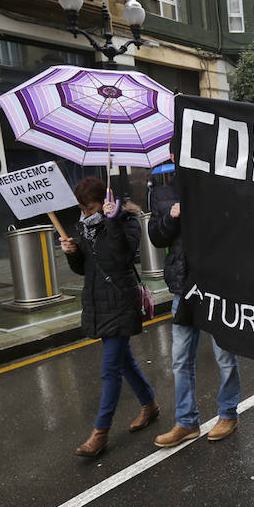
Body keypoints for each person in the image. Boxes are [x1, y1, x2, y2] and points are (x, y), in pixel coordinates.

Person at [60, 177, 159, 457]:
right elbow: (86, 269)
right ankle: (149, 405)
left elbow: (122, 255)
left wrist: (111, 219)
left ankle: (100, 433)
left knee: (110, 369)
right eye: (82, 209)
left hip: (120, 299)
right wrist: (72, 253)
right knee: (123, 362)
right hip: (98, 301)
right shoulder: (86, 225)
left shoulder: (126, 220)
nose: (86, 214)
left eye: (90, 208)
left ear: (105, 200)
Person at [149, 157, 242, 447]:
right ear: (175, 156)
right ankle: (186, 422)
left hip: (215, 284)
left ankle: (228, 413)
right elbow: (155, 236)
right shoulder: (163, 193)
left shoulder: (217, 183)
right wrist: (171, 217)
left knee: (225, 356)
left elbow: (235, 227)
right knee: (180, 359)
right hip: (183, 286)